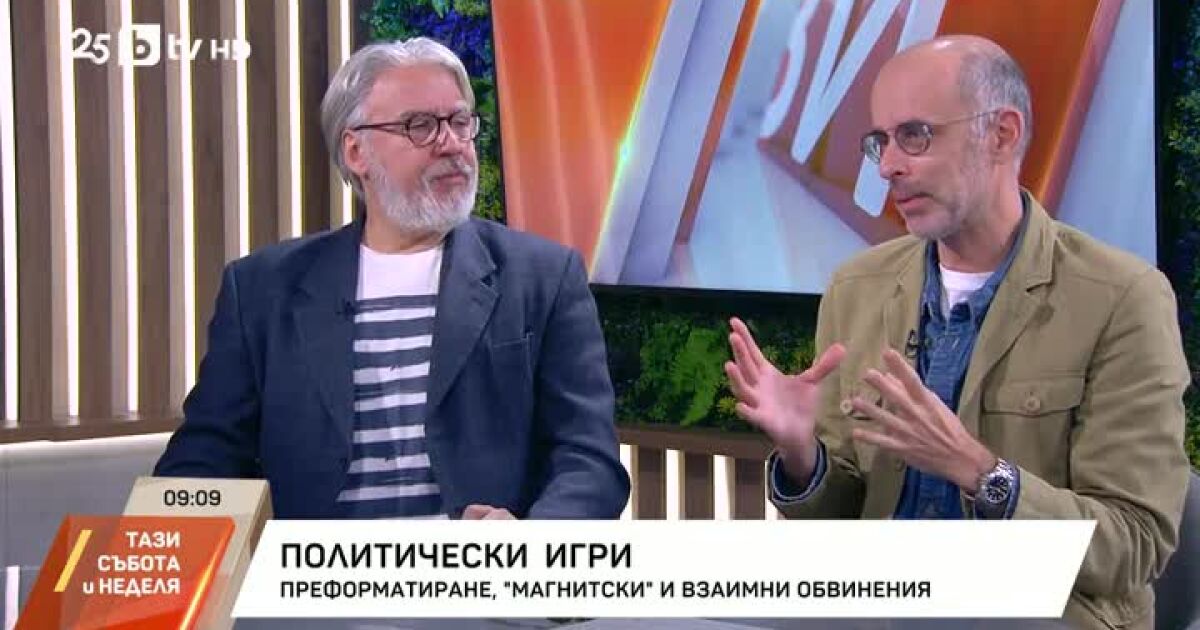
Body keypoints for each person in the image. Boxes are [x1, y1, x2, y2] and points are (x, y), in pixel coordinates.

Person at [726, 35, 1190, 629]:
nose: (888, 166)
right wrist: (802, 455)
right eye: (880, 142)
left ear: (1001, 134)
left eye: (915, 135)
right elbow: (843, 521)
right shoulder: (857, 288)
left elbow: (1134, 546)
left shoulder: (1122, 298)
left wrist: (980, 472)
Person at [155, 37, 630, 521]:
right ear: (355, 151)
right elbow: (198, 466)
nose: (451, 143)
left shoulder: (543, 277)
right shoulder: (262, 290)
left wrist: (527, 543)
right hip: (318, 568)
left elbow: (589, 461)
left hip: (481, 569)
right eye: (419, 126)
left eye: (459, 122)